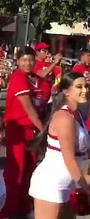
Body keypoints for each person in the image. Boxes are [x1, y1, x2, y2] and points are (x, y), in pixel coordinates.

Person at [29, 72, 90, 219]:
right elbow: (69, 159)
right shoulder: (64, 118)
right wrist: (86, 188)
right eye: (79, 87)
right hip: (52, 184)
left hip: (70, 184)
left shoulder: (78, 115)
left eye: (87, 86)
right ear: (66, 91)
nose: (85, 90)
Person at [0, 46, 44, 219]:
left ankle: (23, 206)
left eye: (31, 60)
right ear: (17, 61)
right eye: (24, 60)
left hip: (31, 129)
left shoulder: (33, 78)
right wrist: (43, 131)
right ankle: (7, 210)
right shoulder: (18, 77)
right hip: (18, 129)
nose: (27, 63)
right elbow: (28, 108)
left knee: (30, 169)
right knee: (16, 170)